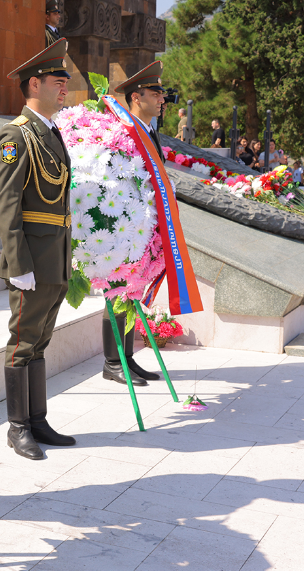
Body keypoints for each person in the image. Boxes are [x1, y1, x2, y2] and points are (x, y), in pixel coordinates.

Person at [0, 38, 75, 460]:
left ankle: (37, 419)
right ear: (35, 84)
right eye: (58, 80)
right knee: (23, 341)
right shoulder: (17, 135)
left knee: (40, 340)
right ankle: (18, 427)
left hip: (54, 256)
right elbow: (6, 203)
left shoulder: (51, 132)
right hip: (31, 262)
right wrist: (18, 263)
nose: (65, 87)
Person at [104, 61, 181, 388]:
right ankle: (112, 362)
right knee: (116, 293)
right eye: (156, 92)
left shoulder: (148, 130)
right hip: (122, 226)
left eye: (162, 92)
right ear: (136, 96)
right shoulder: (124, 130)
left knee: (129, 295)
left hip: (142, 226)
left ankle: (127, 358)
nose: (163, 99)